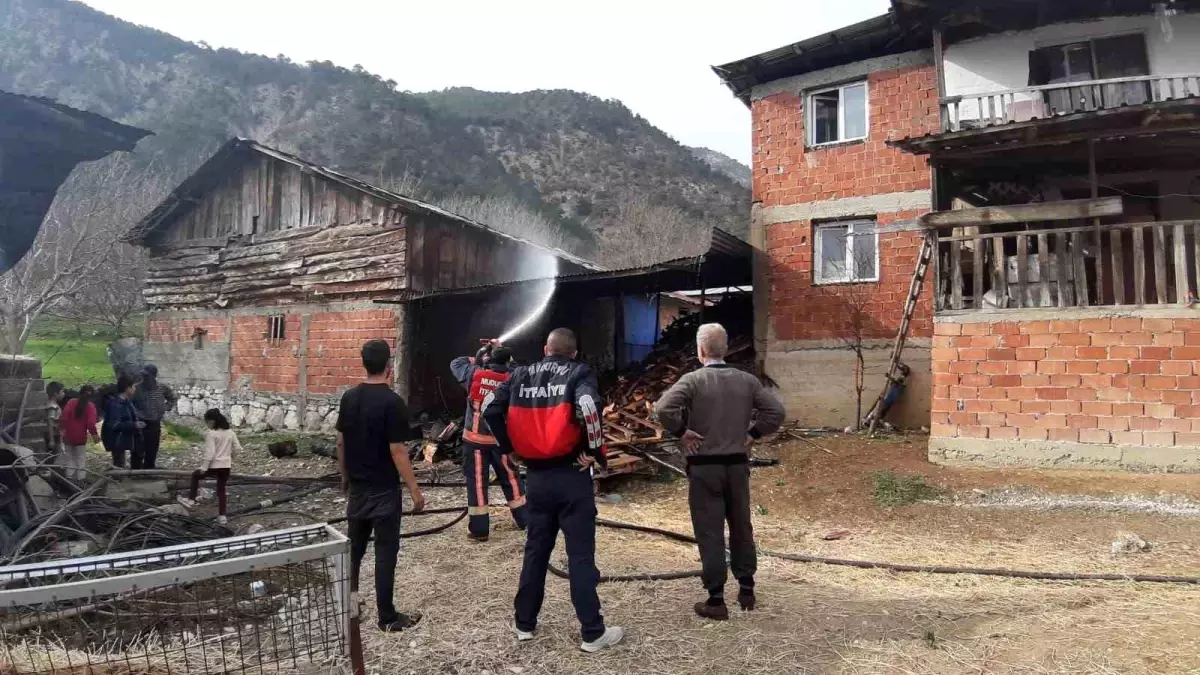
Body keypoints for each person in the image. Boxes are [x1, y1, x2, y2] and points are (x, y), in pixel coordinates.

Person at [483, 327, 624, 653]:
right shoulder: (579, 372)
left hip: (538, 479)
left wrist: (509, 448)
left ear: (546, 348)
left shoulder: (519, 374)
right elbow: (588, 407)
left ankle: (524, 624)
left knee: (535, 551)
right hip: (572, 476)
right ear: (573, 352)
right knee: (580, 556)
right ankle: (592, 633)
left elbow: (490, 406)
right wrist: (595, 450)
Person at [654, 323, 786, 620]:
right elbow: (776, 413)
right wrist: (753, 434)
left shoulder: (693, 380)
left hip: (704, 469)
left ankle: (715, 600)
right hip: (738, 467)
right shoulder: (747, 381)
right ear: (725, 349)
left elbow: (663, 408)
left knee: (710, 530)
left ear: (701, 351)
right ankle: (747, 589)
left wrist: (681, 432)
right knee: (741, 525)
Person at [336, 339, 427, 632]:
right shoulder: (392, 402)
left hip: (359, 490)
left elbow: (340, 440)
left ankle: (349, 610)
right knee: (385, 554)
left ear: (364, 363)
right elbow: (397, 451)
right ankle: (387, 618)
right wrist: (414, 490)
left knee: (355, 552)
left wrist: (344, 475)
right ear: (390, 366)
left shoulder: (348, 397)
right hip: (385, 492)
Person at [450, 340, 527, 541]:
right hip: (501, 442)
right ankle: (525, 520)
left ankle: (479, 530)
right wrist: (505, 354)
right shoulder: (512, 377)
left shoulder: (474, 374)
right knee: (511, 478)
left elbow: (456, 363)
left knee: (477, 483)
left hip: (474, 441)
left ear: (487, 360)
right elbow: (521, 372)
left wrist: (480, 354)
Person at [178, 409, 240, 524]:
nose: (207, 425)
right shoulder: (230, 432)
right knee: (221, 490)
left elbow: (210, 453)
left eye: (207, 422)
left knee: (195, 475)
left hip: (214, 466)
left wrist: (204, 468)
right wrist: (230, 459)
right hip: (226, 466)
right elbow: (237, 448)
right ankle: (222, 516)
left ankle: (191, 500)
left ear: (212, 421)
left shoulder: (211, 434)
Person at [132, 364, 176, 470]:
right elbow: (129, 403)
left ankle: (149, 472)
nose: (145, 378)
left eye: (147, 376)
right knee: (137, 450)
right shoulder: (136, 388)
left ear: (154, 376)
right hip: (140, 423)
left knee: (152, 450)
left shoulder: (162, 388)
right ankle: (135, 472)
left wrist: (165, 407)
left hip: (154, 423)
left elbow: (172, 398)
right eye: (143, 375)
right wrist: (135, 414)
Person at [60, 385, 100, 480]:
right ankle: (80, 479)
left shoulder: (71, 402)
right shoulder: (90, 406)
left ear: (80, 393)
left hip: (68, 436)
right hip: (80, 437)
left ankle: (69, 478)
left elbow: (64, 417)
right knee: (81, 458)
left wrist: (62, 430)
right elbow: (90, 423)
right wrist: (94, 434)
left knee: (70, 458)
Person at [103, 376, 145, 469]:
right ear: (127, 388)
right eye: (133, 387)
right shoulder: (115, 404)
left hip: (124, 438)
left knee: (122, 464)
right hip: (117, 440)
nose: (135, 389)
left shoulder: (127, 402)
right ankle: (117, 481)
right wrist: (134, 424)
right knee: (119, 464)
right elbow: (114, 424)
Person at [44, 382, 65, 463]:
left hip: (56, 433)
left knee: (56, 454)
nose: (64, 394)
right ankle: (51, 471)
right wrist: (51, 439)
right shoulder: (52, 406)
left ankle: (54, 471)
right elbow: (50, 422)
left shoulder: (54, 405)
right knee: (54, 455)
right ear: (55, 394)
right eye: (62, 392)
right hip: (53, 435)